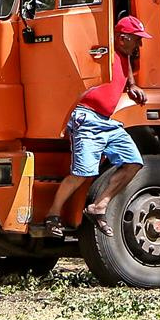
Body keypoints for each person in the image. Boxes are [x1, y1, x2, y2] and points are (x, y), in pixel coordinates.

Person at [36, 15, 149, 234]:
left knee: (134, 162)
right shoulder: (104, 52)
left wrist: (132, 86)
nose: (140, 44)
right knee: (82, 173)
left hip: (108, 122)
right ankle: (52, 215)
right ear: (122, 37)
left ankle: (99, 206)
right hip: (87, 118)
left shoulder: (124, 57)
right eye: (137, 39)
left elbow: (125, 74)